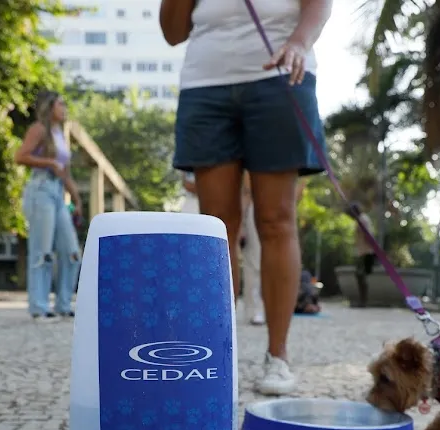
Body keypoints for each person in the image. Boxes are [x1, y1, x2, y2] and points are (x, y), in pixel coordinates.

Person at [160, 0, 332, 395]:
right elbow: (172, 33)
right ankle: (218, 358)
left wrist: (300, 42)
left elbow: (319, 5)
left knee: (275, 219)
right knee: (216, 228)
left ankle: (278, 356)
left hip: (280, 75)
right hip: (205, 84)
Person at [13, 91, 83, 321]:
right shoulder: (39, 129)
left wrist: (77, 200)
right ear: (49, 106)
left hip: (58, 194)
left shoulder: (60, 134)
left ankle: (64, 303)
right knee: (42, 252)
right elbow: (20, 156)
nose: (64, 108)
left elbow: (66, 173)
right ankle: (39, 307)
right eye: (60, 104)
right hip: (40, 190)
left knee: (72, 252)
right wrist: (49, 162)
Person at [240, 172, 265, 325]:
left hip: (276, 204)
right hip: (256, 206)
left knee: (257, 262)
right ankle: (255, 309)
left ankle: (264, 309)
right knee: (254, 262)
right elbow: (247, 190)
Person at [353, 212, 375, 307]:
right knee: (360, 276)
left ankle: (363, 301)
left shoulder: (362, 219)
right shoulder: (361, 219)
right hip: (363, 251)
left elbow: (367, 234)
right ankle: (362, 300)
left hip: (366, 252)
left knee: (361, 276)